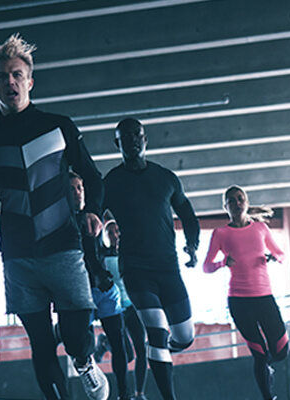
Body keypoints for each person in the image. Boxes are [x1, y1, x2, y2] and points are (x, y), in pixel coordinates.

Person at [0, 34, 108, 400]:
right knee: (41, 343)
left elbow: (93, 176)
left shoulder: (59, 127)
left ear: (30, 82)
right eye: (2, 76)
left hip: (63, 246)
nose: (10, 81)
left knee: (75, 337)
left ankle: (84, 361)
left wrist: (91, 210)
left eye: (17, 75)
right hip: (18, 255)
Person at [103, 117, 200, 400]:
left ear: (145, 139)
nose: (132, 140)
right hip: (135, 269)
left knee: (184, 338)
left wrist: (192, 245)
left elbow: (187, 214)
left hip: (168, 268)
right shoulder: (111, 182)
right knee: (156, 334)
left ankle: (158, 350)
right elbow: (92, 219)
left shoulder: (166, 178)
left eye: (137, 134)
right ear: (117, 143)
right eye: (125, 136)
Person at [202, 185, 289, 400]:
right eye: (231, 200)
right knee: (259, 355)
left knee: (281, 352)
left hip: (264, 298)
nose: (236, 203)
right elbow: (206, 266)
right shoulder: (221, 233)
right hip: (239, 302)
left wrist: (273, 257)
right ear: (225, 207)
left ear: (247, 203)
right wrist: (223, 262)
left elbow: (281, 254)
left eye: (240, 198)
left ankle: (267, 368)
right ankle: (268, 397)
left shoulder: (260, 229)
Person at [69, 172, 130, 400]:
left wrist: (101, 272)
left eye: (80, 187)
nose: (77, 192)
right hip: (78, 292)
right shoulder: (61, 219)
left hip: (103, 291)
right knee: (81, 345)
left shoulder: (93, 215)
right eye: (72, 188)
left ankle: (124, 394)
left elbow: (97, 250)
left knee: (119, 343)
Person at [98, 219, 149, 400]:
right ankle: (105, 342)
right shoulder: (102, 256)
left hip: (132, 306)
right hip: (115, 309)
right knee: (126, 357)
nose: (115, 236)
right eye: (110, 233)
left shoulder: (132, 252)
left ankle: (140, 393)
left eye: (117, 231)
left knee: (142, 349)